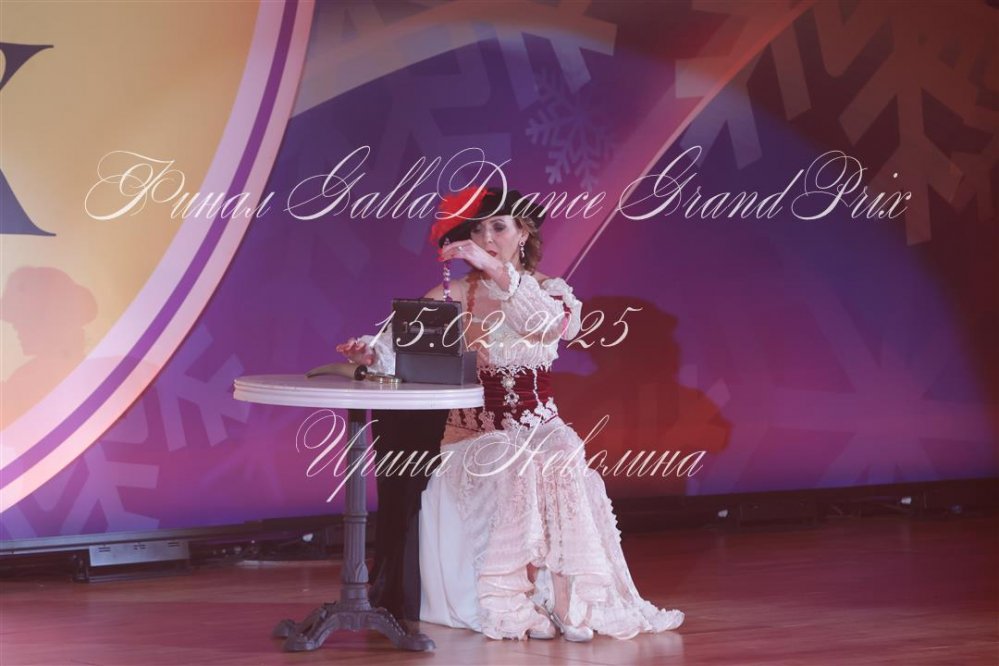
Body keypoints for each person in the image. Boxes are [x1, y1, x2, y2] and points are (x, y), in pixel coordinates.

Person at [338, 186, 684, 642]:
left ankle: (567, 601)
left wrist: (501, 274)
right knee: (511, 461)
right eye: (478, 230)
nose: (487, 238)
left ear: (523, 233)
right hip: (473, 435)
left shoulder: (549, 292)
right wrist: (370, 353)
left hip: (540, 426)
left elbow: (549, 326)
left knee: (564, 452)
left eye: (499, 227)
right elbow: (399, 345)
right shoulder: (454, 292)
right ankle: (513, 603)